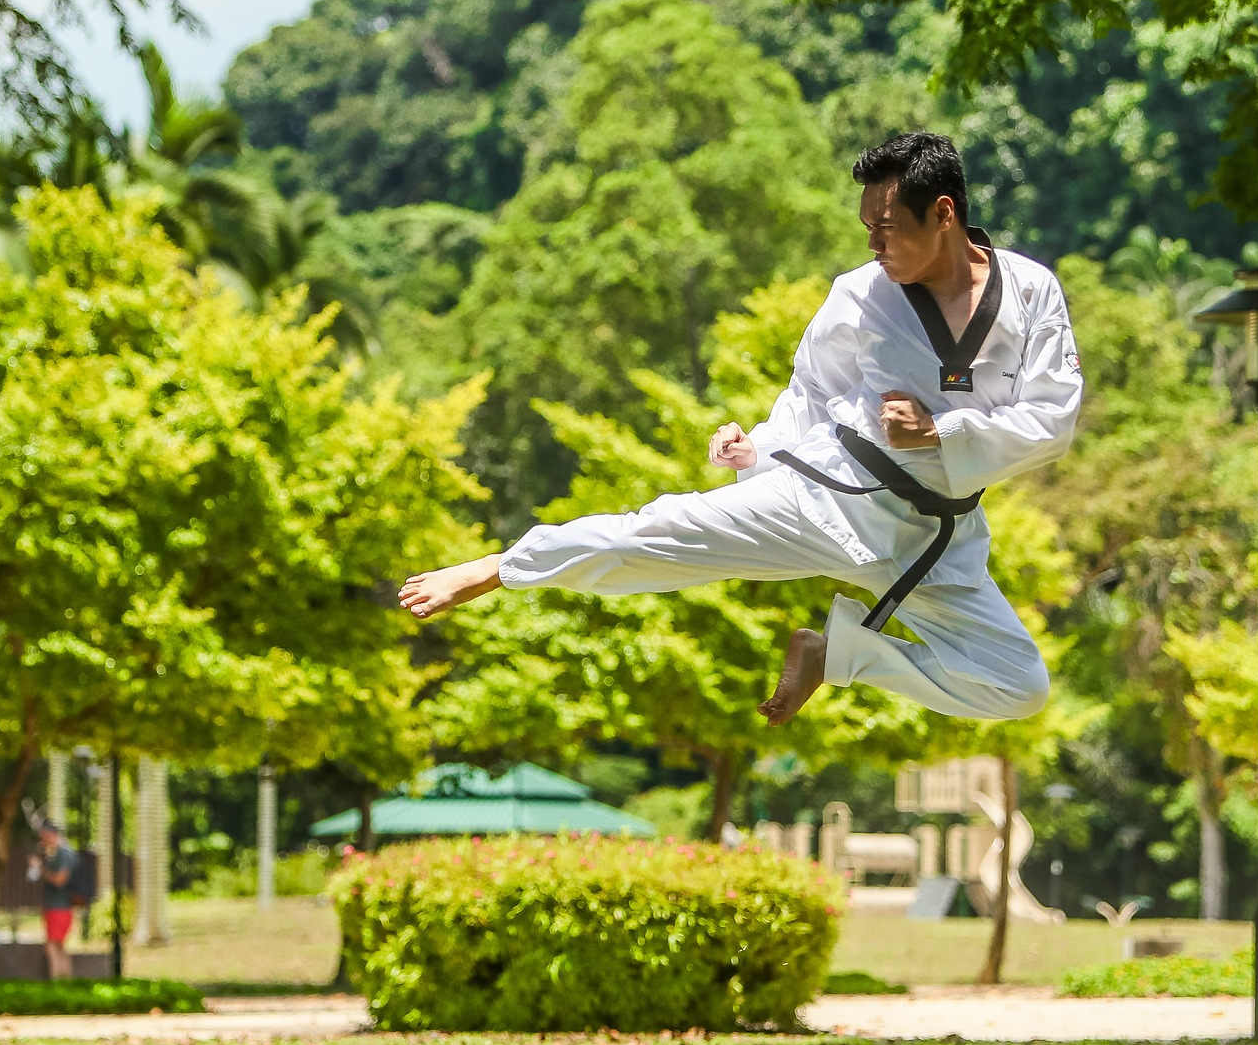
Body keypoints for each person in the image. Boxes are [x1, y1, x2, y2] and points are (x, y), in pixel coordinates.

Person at [401, 132, 1083, 725]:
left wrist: (940, 433)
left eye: (885, 226)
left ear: (943, 213)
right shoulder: (861, 293)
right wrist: (760, 450)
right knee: (655, 534)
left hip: (937, 536)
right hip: (832, 494)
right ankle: (504, 566)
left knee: (1016, 686)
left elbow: (1053, 419)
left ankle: (833, 655)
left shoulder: (1031, 292)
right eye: (865, 227)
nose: (872, 243)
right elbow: (812, 389)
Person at [30, 823, 78, 980]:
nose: (42, 841)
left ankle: (57, 980)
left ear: (51, 834)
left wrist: (41, 869)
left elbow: (59, 880)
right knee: (58, 946)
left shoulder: (64, 853)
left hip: (59, 908)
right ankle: (65, 980)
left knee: (51, 946)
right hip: (56, 907)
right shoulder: (56, 853)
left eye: (43, 837)